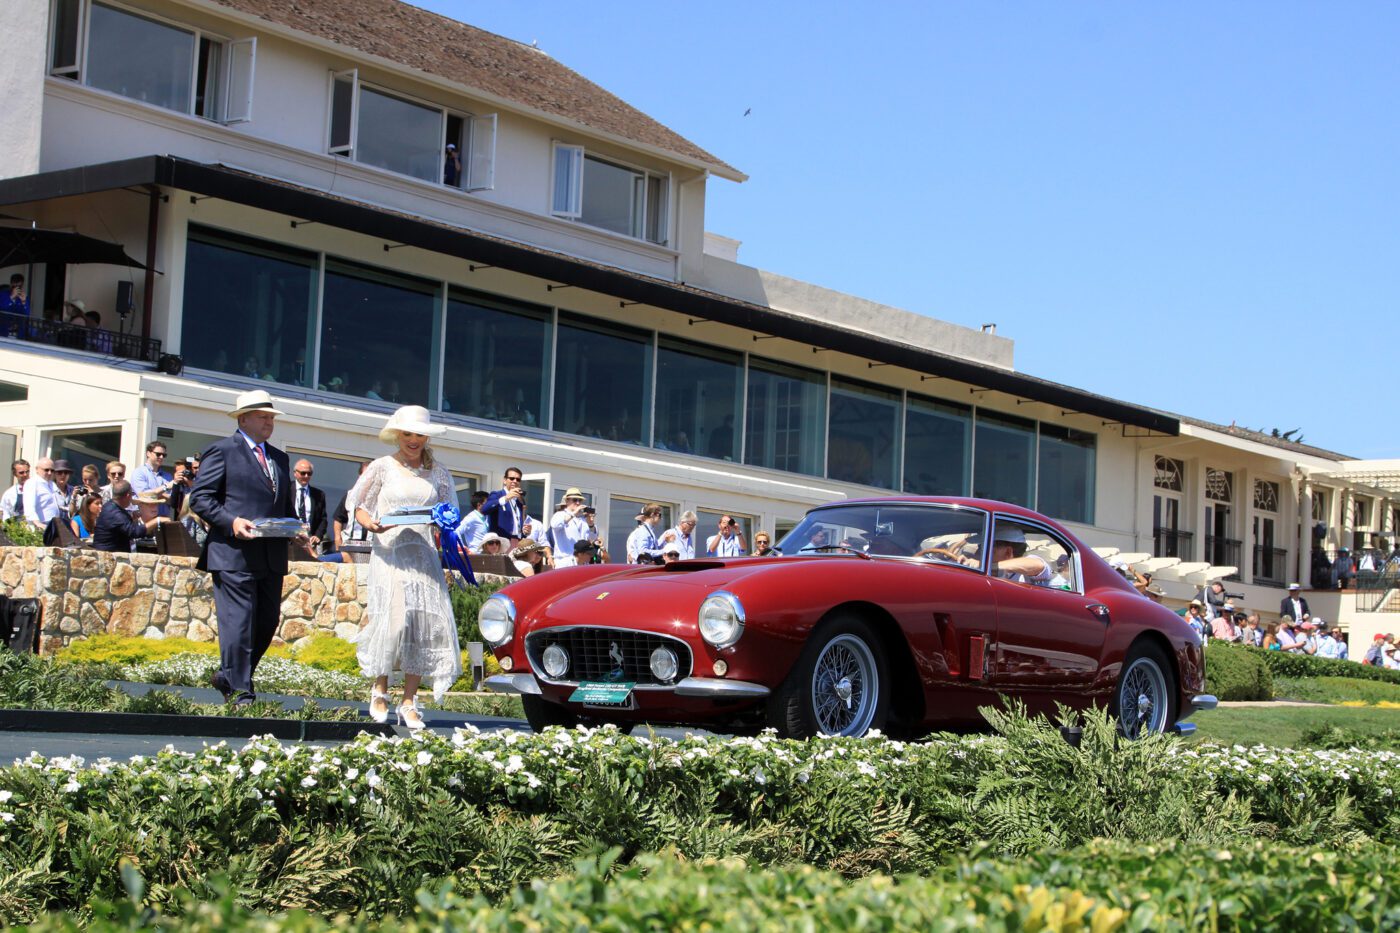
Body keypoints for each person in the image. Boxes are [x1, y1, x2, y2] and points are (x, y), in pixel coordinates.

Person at [188, 389, 303, 706]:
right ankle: (241, 694)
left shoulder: (279, 458)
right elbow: (200, 498)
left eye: (271, 417)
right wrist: (231, 521)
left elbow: (283, 506)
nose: (269, 422)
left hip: (271, 555)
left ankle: (229, 676)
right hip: (232, 553)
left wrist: (295, 527)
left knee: (266, 622)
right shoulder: (221, 450)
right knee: (238, 624)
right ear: (243, 418)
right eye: (263, 416)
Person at [349, 405, 462, 730]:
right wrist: (370, 523)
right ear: (398, 434)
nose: (413, 440)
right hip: (390, 553)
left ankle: (410, 700)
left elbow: (450, 511)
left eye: (419, 434)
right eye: (408, 433)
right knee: (395, 620)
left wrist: (444, 523)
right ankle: (380, 689)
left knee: (422, 625)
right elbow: (359, 504)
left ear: (427, 437)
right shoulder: (382, 467)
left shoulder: (438, 472)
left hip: (423, 555)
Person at [92, 481, 165, 552]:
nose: (154, 507)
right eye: (149, 504)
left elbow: (121, 527)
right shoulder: (115, 512)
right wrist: (157, 521)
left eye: (156, 504)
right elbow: (134, 532)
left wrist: (131, 519)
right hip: (108, 556)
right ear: (128, 496)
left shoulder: (110, 507)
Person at [549, 488, 598, 567]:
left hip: (582, 561)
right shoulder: (560, 515)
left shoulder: (582, 519)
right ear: (567, 501)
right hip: (565, 560)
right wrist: (573, 513)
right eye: (575, 500)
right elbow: (555, 525)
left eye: (580, 500)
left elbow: (592, 538)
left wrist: (590, 523)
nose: (578, 503)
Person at [481, 466, 527, 546]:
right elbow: (485, 510)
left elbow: (516, 524)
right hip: (500, 542)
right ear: (505, 480)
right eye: (512, 478)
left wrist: (524, 532)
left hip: (517, 542)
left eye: (518, 479)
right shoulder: (497, 495)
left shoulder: (519, 501)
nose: (515, 481)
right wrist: (505, 498)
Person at [290, 459, 328, 551]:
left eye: (309, 473)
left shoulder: (318, 494)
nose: (306, 476)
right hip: (290, 539)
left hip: (309, 542)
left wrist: (317, 535)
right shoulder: (286, 490)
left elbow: (323, 519)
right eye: (303, 473)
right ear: (295, 473)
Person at [22, 458, 63, 530]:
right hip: (40, 525)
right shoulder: (32, 483)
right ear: (37, 469)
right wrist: (37, 523)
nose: (49, 473)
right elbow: (29, 506)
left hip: (53, 524)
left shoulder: (52, 484)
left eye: (52, 470)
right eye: (46, 470)